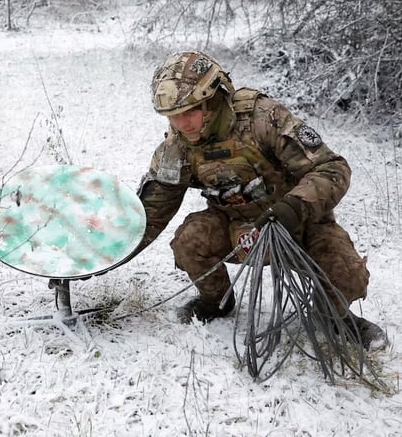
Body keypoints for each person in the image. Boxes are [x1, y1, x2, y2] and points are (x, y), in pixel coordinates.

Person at [133, 50, 387, 349]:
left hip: (297, 222)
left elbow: (332, 168)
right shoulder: (177, 147)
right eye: (172, 117)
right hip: (235, 226)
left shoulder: (262, 119)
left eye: (189, 112)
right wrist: (100, 257)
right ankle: (216, 302)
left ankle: (334, 317)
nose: (181, 124)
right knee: (189, 241)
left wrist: (294, 207)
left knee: (347, 274)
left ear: (212, 100)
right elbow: (152, 211)